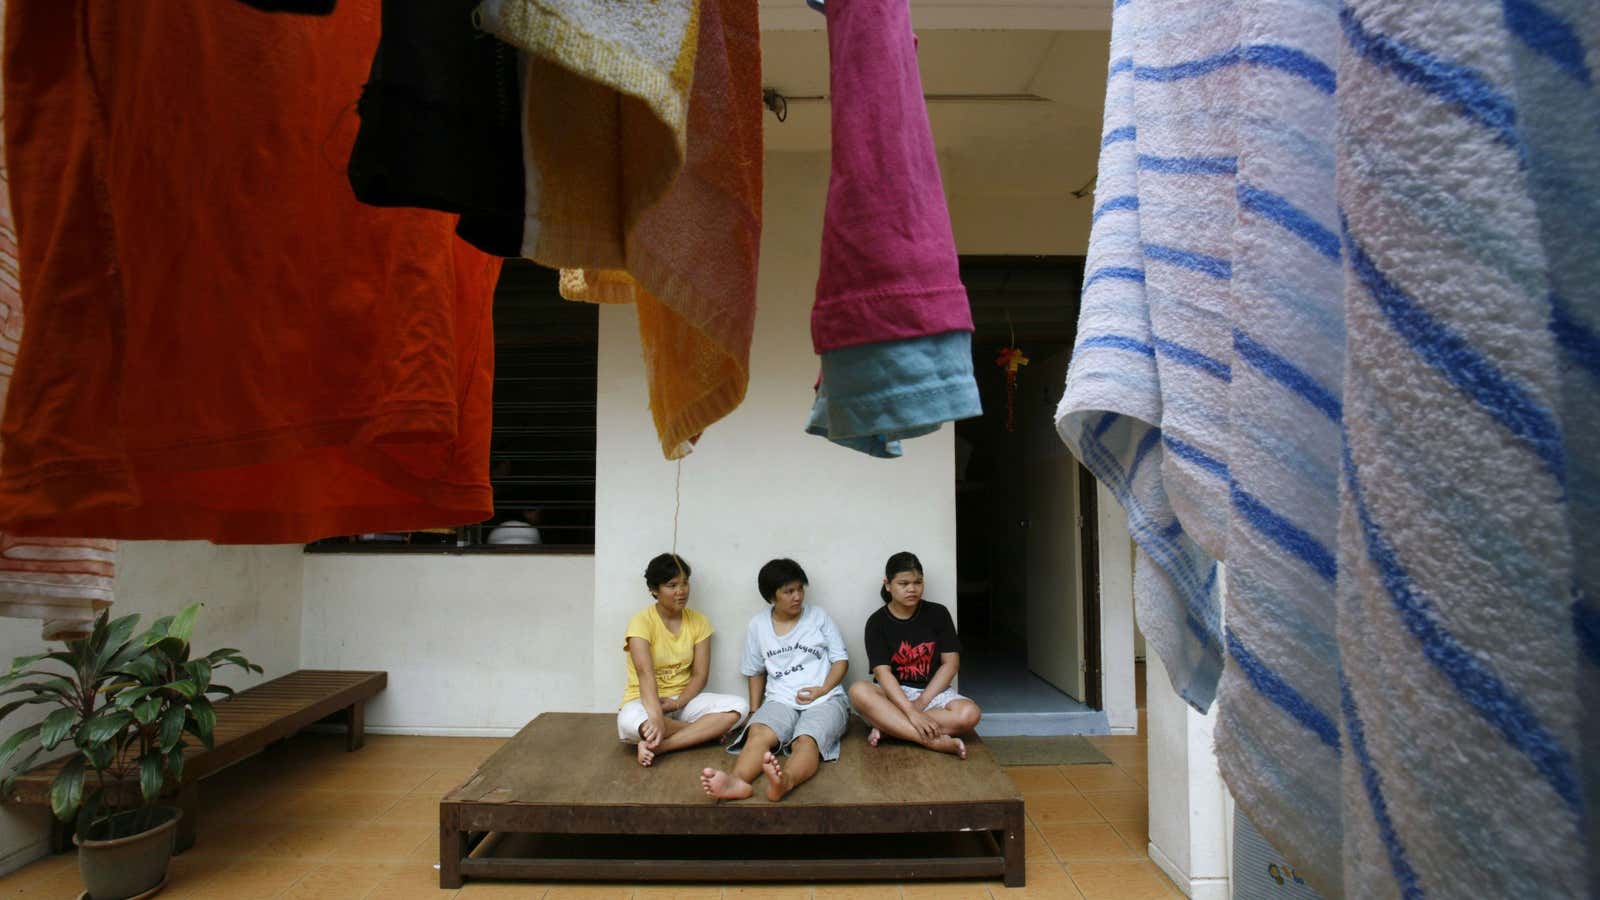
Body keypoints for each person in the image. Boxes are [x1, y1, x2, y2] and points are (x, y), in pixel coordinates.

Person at [701, 558, 850, 802]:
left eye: (800, 588)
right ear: (772, 596)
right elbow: (755, 670)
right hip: (780, 699)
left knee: (806, 739)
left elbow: (840, 660)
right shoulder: (758, 625)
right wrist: (754, 710)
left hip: (826, 699)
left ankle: (785, 781)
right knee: (758, 733)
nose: (797, 596)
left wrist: (822, 690)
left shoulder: (818, 617)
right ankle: (736, 781)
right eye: (788, 591)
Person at [618, 553, 748, 767]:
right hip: (644, 701)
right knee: (632, 722)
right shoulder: (640, 622)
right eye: (672, 585)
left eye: (685, 583)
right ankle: (702, 733)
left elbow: (700, 675)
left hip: (683, 700)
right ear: (653, 590)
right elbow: (645, 674)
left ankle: (659, 746)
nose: (681, 591)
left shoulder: (699, 622)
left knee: (738, 708)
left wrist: (677, 703)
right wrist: (656, 715)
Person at [847, 551, 981, 758]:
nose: (912, 589)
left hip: (933, 692)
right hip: (894, 694)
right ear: (888, 584)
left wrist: (919, 706)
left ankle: (891, 729)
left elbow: (951, 664)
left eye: (918, 582)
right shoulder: (877, 622)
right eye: (904, 583)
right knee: (858, 691)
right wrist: (910, 711)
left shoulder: (938, 614)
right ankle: (931, 741)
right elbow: (883, 674)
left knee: (970, 713)